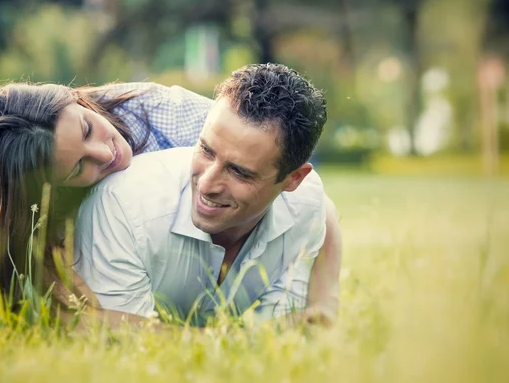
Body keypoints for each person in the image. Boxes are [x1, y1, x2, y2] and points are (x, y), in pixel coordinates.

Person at [0, 66, 340, 326]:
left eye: (87, 129)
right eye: (76, 169)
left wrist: (324, 303)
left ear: (79, 101)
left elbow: (312, 203)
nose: (106, 153)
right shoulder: (9, 207)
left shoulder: (167, 114)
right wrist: (39, 260)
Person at [73, 64, 335, 325]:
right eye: (206, 150)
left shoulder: (305, 205)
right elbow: (125, 343)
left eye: (239, 172)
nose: (208, 184)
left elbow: (279, 334)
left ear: (293, 179)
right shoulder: (122, 206)